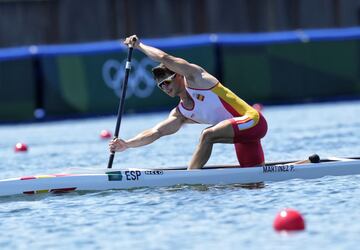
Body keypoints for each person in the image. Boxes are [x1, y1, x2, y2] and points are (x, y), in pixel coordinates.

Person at [109, 35, 268, 170]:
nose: (165, 87)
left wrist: (139, 46)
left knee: (207, 135)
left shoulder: (197, 78)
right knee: (254, 180)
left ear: (178, 75)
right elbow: (156, 132)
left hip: (253, 121)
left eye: (167, 82)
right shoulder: (180, 113)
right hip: (241, 136)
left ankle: (191, 178)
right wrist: (127, 144)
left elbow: (164, 58)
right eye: (160, 85)